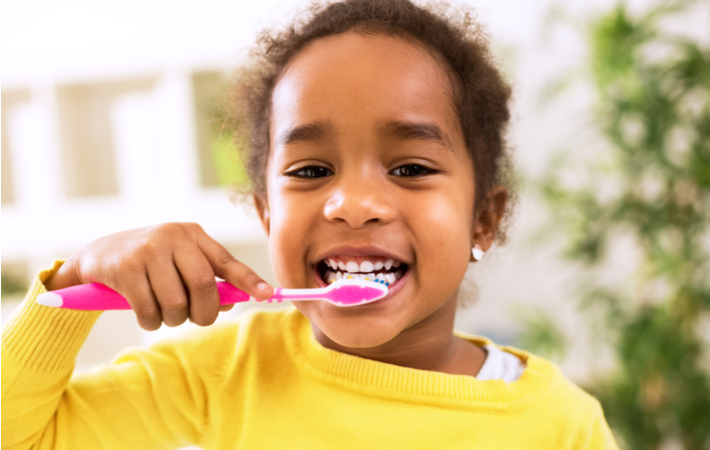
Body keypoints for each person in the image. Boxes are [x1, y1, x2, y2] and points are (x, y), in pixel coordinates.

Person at [1, 0, 618, 448]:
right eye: (311, 169)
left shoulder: (560, 424)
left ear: (483, 221)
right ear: (266, 216)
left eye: (409, 168)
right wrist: (71, 290)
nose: (351, 203)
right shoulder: (220, 375)